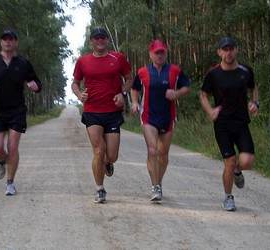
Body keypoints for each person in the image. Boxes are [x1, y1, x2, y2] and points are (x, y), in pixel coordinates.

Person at [71, 27, 132, 203]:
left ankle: (107, 163)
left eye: (103, 37)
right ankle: (99, 189)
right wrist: (79, 94)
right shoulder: (83, 61)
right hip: (92, 111)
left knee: (111, 155)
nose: (100, 41)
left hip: (112, 111)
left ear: (107, 40)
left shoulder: (118, 58)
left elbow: (129, 78)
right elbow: (75, 83)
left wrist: (123, 93)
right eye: (96, 38)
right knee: (98, 150)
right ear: (91, 41)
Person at [0, 29, 42, 196]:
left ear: (16, 43)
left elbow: (37, 82)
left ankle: (10, 183)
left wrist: (35, 86)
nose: (8, 42)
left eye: (11, 39)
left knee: (13, 147)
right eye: (5, 39)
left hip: (17, 111)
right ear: (1, 42)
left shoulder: (23, 63)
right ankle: (3, 160)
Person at [200, 36, 259, 211]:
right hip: (222, 124)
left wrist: (255, 103)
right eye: (225, 49)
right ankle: (228, 197)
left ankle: (237, 171)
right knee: (230, 161)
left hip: (241, 122)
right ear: (219, 52)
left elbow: (253, 87)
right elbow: (203, 94)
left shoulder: (245, 71)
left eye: (231, 48)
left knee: (247, 161)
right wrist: (210, 111)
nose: (229, 52)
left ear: (236, 50)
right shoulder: (213, 74)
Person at [131, 40, 191, 202]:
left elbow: (187, 87)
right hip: (149, 116)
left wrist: (176, 94)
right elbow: (135, 88)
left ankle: (159, 181)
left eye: (162, 52)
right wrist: (135, 102)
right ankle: (155, 186)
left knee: (163, 154)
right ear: (150, 54)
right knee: (152, 150)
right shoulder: (143, 71)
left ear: (166, 53)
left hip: (168, 117)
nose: (159, 55)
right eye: (156, 52)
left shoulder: (175, 71)